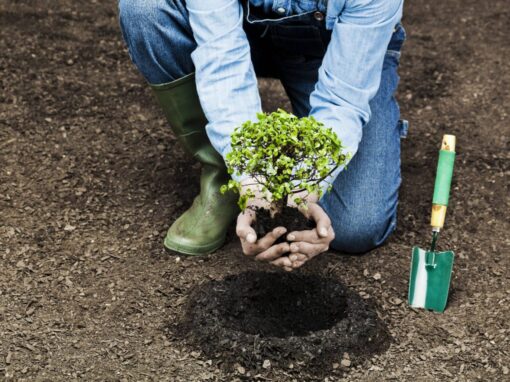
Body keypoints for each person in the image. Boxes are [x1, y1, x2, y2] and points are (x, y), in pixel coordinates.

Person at [119, 0, 407, 271]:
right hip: (242, 32)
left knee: (356, 226)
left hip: (334, 49)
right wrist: (251, 179)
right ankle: (222, 176)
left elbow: (341, 100)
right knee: (145, 8)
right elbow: (223, 62)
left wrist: (304, 188)